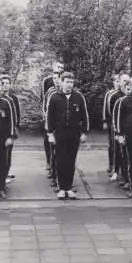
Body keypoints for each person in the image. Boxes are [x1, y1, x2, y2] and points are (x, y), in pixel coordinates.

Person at [46, 72, 89, 200]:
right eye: (67, 82)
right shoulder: (54, 97)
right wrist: (50, 134)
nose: (69, 85)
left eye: (71, 82)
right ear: (62, 82)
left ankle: (69, 188)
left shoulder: (79, 97)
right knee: (60, 161)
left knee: (71, 161)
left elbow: (85, 116)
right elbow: (49, 117)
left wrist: (84, 132)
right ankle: (61, 188)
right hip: (59, 134)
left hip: (74, 134)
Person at [111, 75, 132, 189]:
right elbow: (115, 117)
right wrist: (118, 132)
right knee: (122, 155)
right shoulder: (119, 101)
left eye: (130, 89)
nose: (129, 91)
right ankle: (123, 176)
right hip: (122, 133)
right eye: (127, 89)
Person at [0, 74, 20, 184]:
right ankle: (2, 174)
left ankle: (7, 171)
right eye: (3, 83)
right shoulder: (0, 97)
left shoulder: (13, 98)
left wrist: (16, 127)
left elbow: (17, 113)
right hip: (1, 130)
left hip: (10, 128)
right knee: (2, 153)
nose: (5, 86)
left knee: (9, 152)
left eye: (7, 83)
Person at [102, 74, 119, 176]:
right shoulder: (110, 94)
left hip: (119, 123)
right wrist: (105, 120)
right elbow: (106, 108)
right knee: (111, 144)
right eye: (115, 81)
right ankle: (111, 165)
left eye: (118, 81)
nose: (117, 83)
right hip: (111, 121)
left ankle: (118, 167)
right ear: (113, 83)